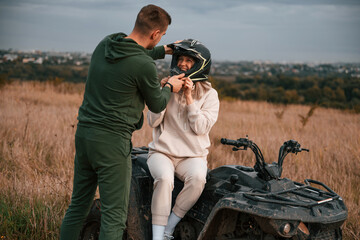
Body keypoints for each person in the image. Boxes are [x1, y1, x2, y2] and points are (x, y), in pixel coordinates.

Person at [60, 5, 185, 240]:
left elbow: (134, 55)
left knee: (77, 207)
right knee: (114, 217)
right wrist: (170, 87)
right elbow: (157, 104)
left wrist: (162, 51)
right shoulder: (143, 66)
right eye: (162, 36)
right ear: (155, 33)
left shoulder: (107, 43)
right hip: (112, 143)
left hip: (85, 135)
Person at [147, 39, 220, 240]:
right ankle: (157, 236)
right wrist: (163, 93)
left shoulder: (210, 95)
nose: (182, 64)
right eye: (180, 58)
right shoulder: (166, 86)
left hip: (192, 156)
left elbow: (201, 127)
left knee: (198, 179)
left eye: (189, 60)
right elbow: (152, 122)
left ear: (200, 65)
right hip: (162, 152)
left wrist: (189, 98)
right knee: (164, 179)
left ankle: (169, 228)